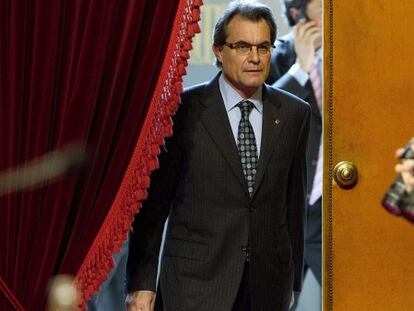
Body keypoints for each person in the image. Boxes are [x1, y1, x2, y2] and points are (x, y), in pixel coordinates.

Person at [125, 1, 310, 310]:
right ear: (218, 51)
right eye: (242, 46)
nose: (254, 57)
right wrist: (141, 284)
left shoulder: (293, 114)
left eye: (263, 47)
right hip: (195, 284)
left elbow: (293, 205)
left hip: (267, 286)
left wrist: (292, 283)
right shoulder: (181, 112)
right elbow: (154, 208)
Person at [266, 0, 323, 303]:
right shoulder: (275, 55)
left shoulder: (356, 49)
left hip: (334, 208)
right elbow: (265, 118)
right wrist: (300, 68)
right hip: (288, 210)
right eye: (325, 9)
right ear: (296, 15)